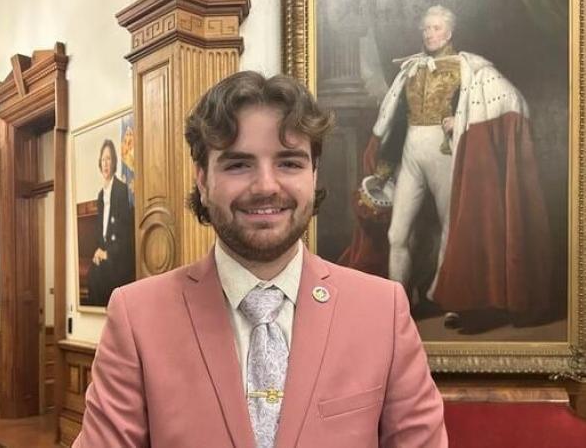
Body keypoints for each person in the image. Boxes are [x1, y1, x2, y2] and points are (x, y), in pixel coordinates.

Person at [74, 71, 446, 447]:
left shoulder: (383, 310)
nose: (266, 186)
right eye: (238, 164)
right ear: (202, 180)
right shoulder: (137, 317)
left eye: (289, 163)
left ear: (314, 175)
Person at [346, 5, 552, 332]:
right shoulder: (410, 69)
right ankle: (400, 303)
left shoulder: (470, 68)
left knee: (451, 230)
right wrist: (384, 165)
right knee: (397, 232)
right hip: (411, 154)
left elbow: (509, 100)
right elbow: (394, 120)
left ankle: (451, 301)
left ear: (450, 32)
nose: (429, 34)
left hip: (446, 154)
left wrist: (463, 119)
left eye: (436, 28)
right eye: (426, 28)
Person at [85, 139, 135, 306]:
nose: (106, 164)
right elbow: (101, 234)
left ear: (114, 162)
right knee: (93, 273)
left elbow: (125, 236)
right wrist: (99, 250)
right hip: (106, 255)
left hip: (119, 258)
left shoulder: (121, 190)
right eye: (103, 160)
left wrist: (107, 254)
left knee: (98, 275)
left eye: (109, 159)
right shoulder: (101, 195)